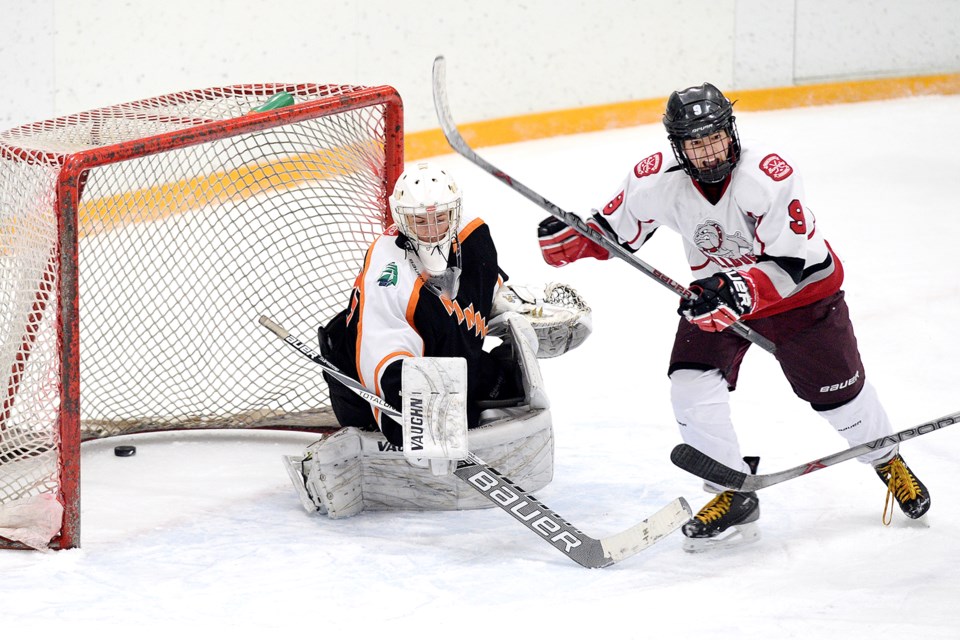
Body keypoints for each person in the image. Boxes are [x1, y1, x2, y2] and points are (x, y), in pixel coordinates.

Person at [537, 82, 930, 551]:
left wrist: (739, 288)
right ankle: (733, 491)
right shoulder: (655, 178)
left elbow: (793, 262)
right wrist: (575, 239)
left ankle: (886, 458)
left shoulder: (767, 175)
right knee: (690, 384)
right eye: (694, 142)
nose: (707, 151)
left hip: (799, 296)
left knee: (837, 398)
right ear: (677, 146)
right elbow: (612, 228)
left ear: (731, 131)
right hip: (715, 298)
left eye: (714, 137)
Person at [285, 161, 591, 519]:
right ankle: (361, 450)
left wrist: (526, 317)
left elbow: (488, 296)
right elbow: (379, 353)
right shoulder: (387, 271)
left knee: (508, 385)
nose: (431, 229)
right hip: (367, 384)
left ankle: (465, 416)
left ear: (455, 211)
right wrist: (409, 409)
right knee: (407, 428)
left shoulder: (474, 237)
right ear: (401, 219)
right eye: (419, 221)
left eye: (440, 218)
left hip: (448, 361)